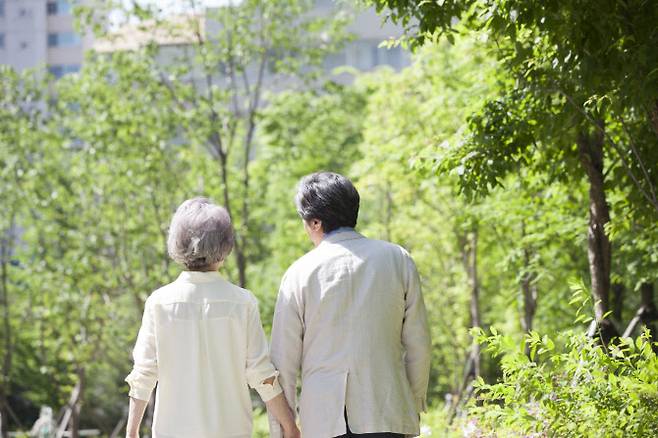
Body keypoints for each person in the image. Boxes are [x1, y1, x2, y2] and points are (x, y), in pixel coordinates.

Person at [269, 172, 432, 438]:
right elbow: (419, 345)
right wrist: (410, 406)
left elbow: (282, 362)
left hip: (323, 420)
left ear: (316, 222)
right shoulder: (398, 259)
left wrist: (284, 429)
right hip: (386, 412)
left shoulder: (299, 273)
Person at [125, 197, 299, 438]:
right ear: (225, 245)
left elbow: (143, 374)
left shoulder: (159, 303)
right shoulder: (243, 302)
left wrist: (132, 431)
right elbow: (261, 374)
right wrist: (289, 425)